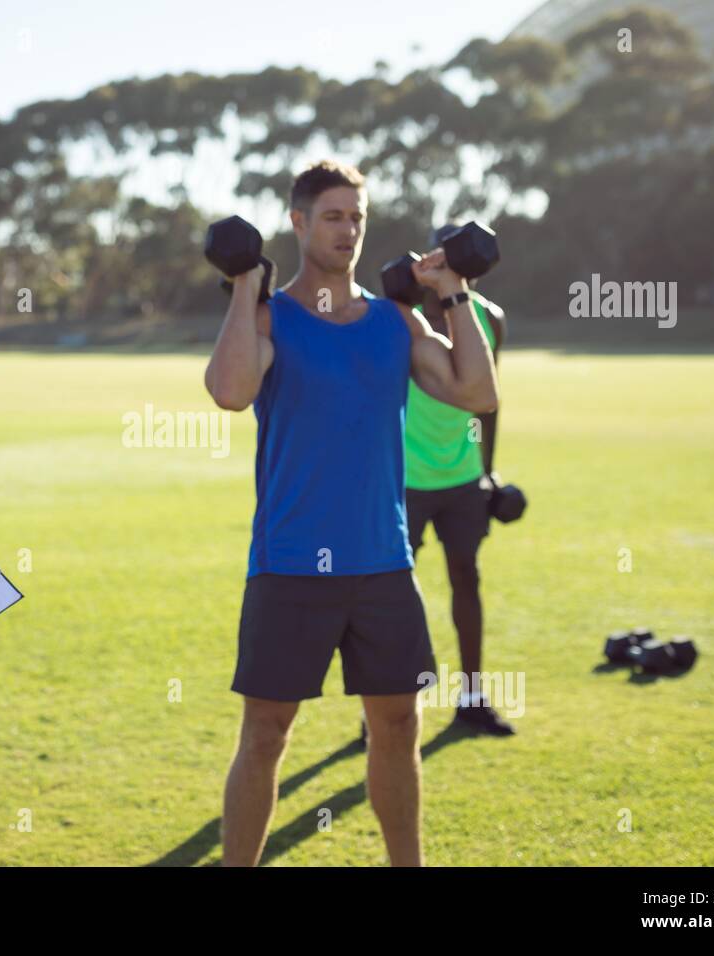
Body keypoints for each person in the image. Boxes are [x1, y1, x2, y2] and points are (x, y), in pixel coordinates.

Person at [204, 161, 498, 866]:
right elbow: (231, 390)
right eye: (332, 216)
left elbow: (475, 393)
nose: (348, 230)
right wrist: (246, 286)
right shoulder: (276, 316)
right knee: (268, 732)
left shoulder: (394, 319)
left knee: (398, 722)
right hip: (291, 562)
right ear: (299, 223)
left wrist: (451, 293)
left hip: (383, 560)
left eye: (358, 217)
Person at [401, 223, 513, 735]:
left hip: (463, 478)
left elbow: (489, 401)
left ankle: (471, 697)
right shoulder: (407, 320)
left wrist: (487, 473)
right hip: (405, 476)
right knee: (394, 592)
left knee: (466, 579)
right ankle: (383, 706)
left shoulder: (489, 318)